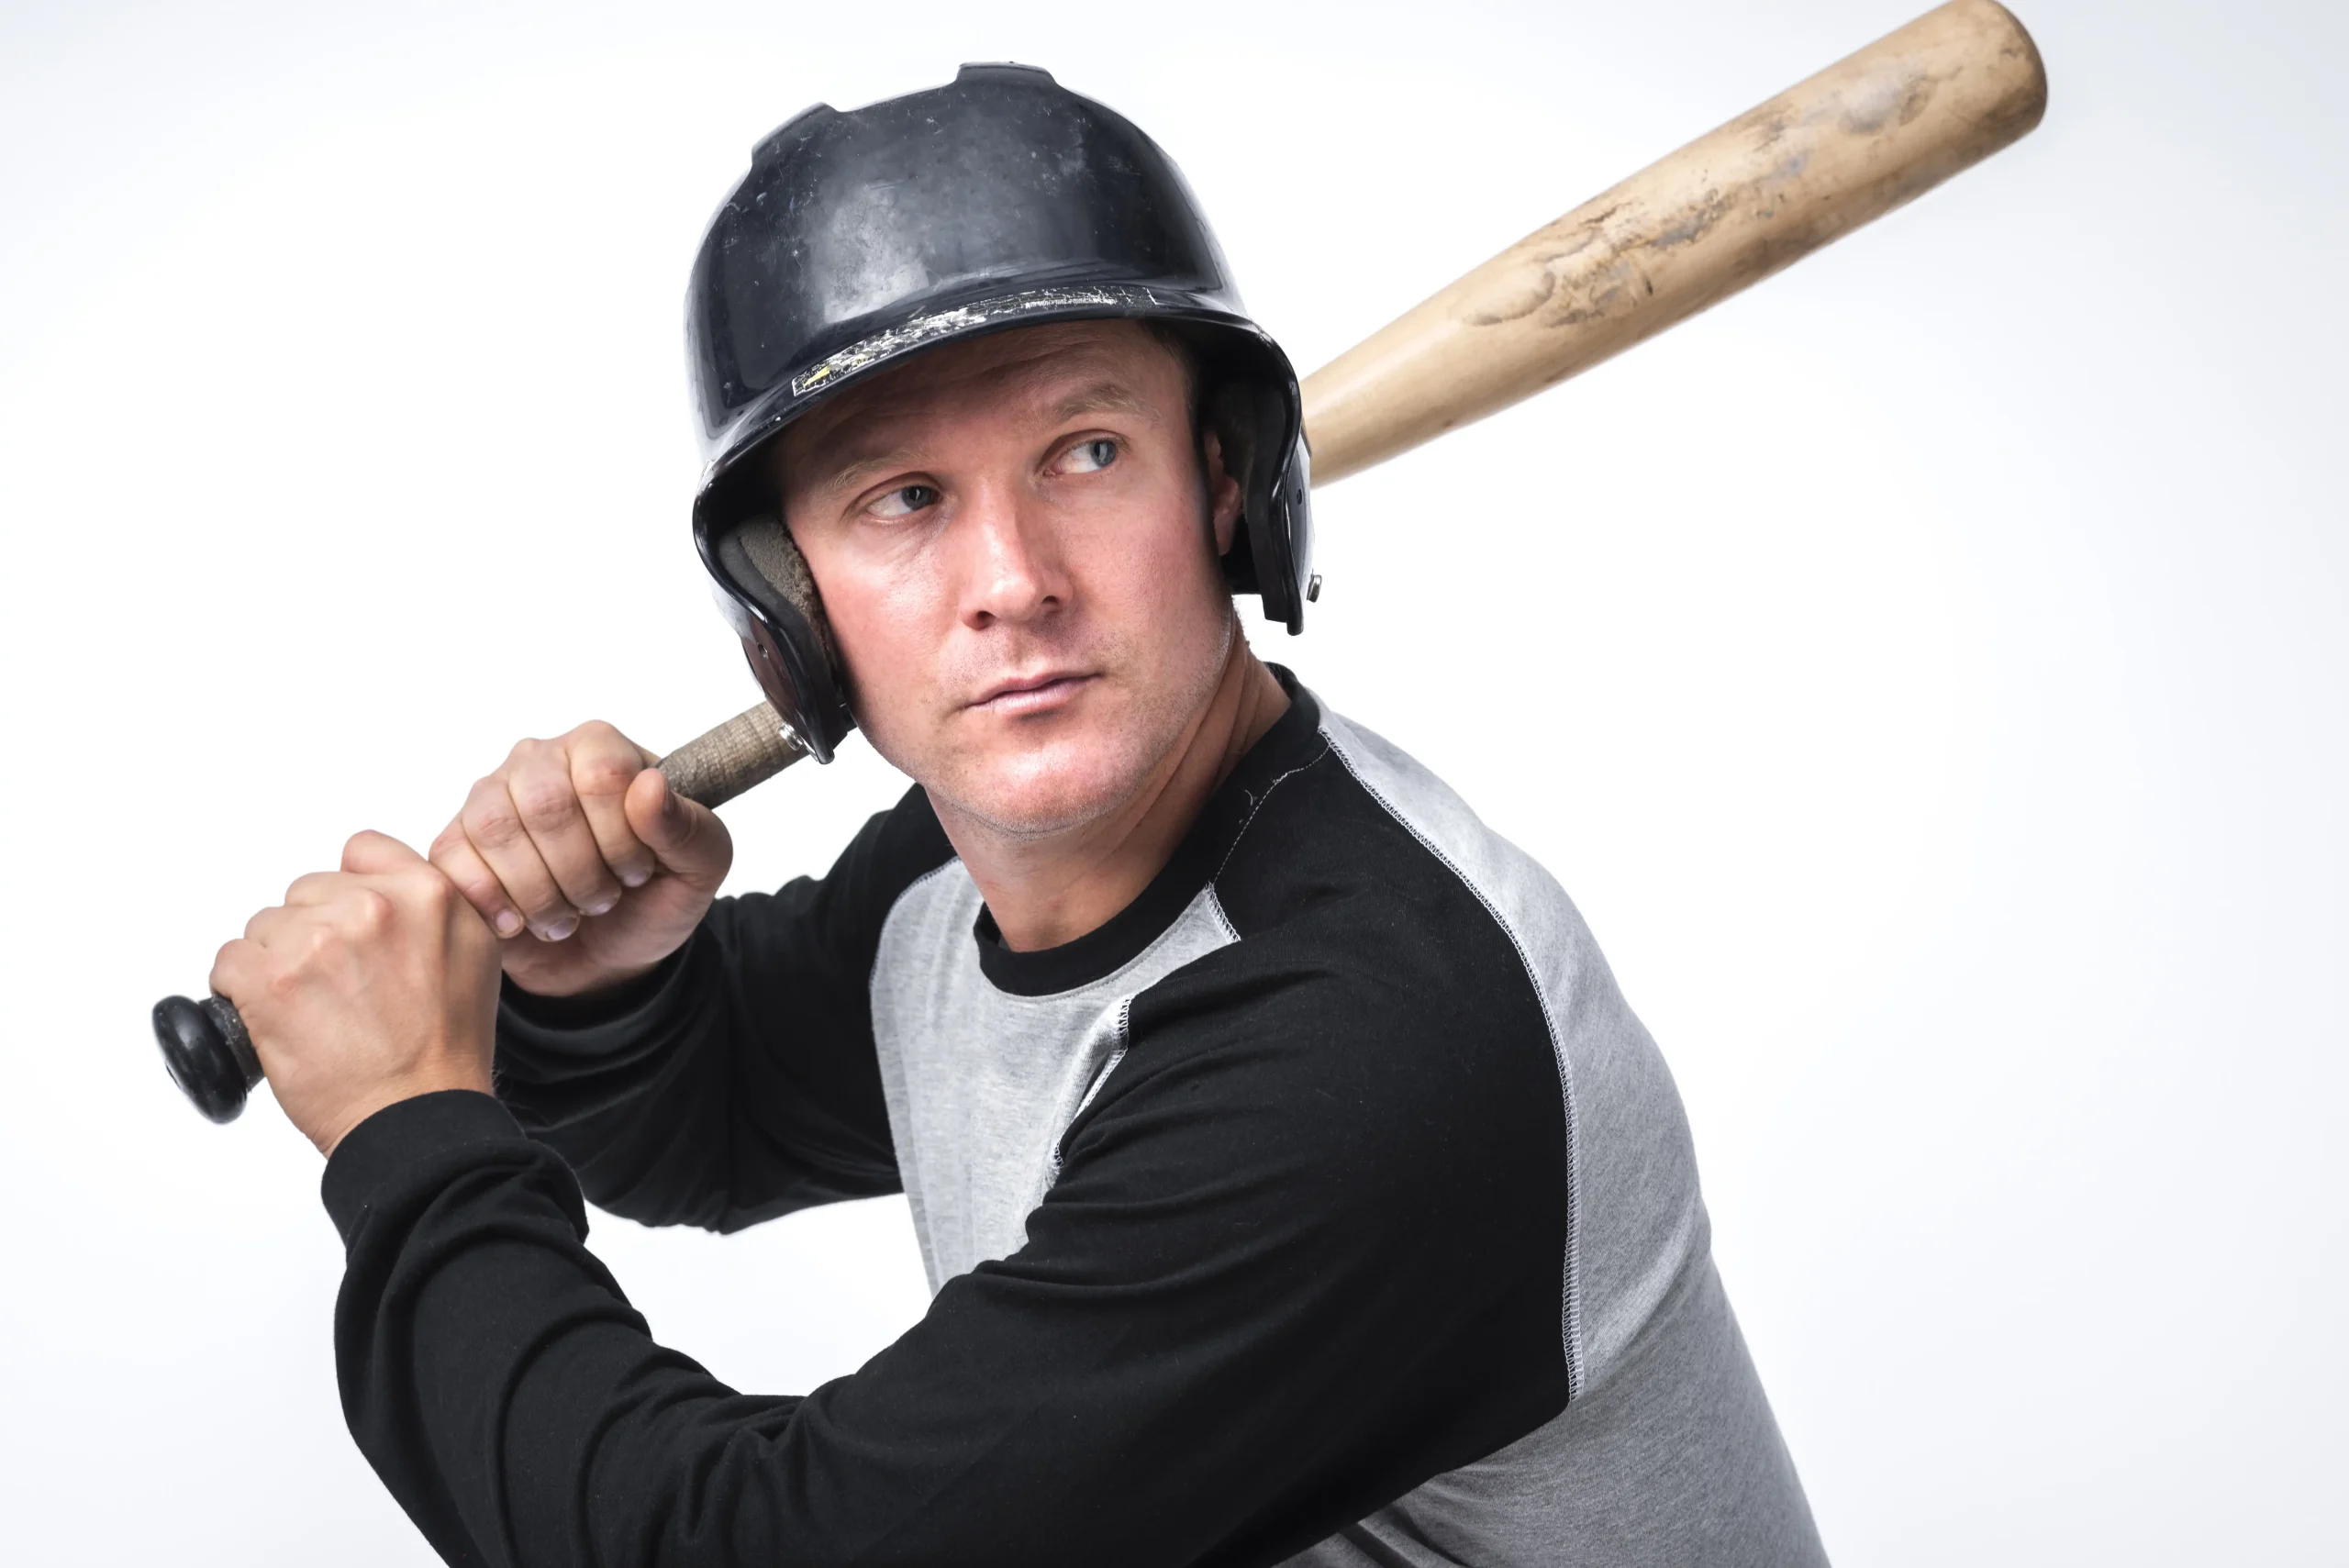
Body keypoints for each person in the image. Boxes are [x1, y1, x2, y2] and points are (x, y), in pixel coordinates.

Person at [210, 66, 1826, 1567]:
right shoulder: (982, 861)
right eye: (903, 500)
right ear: (791, 608)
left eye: (1087, 450)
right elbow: (725, 1116)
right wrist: (602, 990)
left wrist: (409, 1137)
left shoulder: (1370, 1039)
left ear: (1225, 487)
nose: (1014, 587)